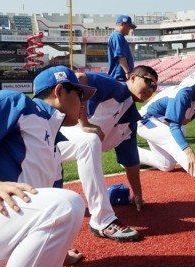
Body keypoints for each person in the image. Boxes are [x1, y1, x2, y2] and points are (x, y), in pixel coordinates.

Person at [0, 66, 96, 267]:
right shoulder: (19, 104)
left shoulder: (55, 149)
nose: (84, 103)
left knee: (60, 206)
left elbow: (45, 216)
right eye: (80, 94)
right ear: (59, 91)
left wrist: (59, 250)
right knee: (67, 205)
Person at [58, 66, 157, 242]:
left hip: (59, 148)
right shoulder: (117, 87)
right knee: (90, 140)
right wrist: (84, 121)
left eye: (154, 87)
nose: (151, 89)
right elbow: (80, 78)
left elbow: (131, 160)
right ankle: (102, 219)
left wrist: (137, 193)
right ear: (133, 78)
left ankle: (100, 219)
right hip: (51, 137)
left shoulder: (130, 117)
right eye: (149, 81)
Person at [137, 71, 195, 188]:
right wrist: (189, 152)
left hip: (161, 124)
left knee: (167, 165)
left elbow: (184, 121)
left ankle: (130, 155)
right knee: (171, 138)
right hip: (146, 120)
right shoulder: (183, 95)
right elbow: (174, 126)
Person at [108, 15, 136, 81]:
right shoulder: (117, 36)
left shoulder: (119, 36)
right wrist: (127, 72)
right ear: (122, 24)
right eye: (129, 27)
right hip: (119, 77)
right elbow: (120, 55)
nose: (129, 30)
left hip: (120, 77)